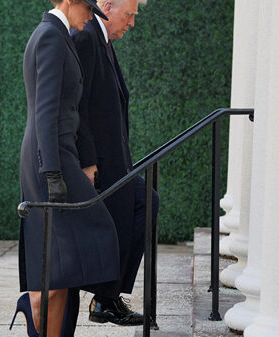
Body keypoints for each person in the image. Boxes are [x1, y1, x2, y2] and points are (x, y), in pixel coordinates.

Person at [12, 1, 119, 336]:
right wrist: (52, 173)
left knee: (57, 263)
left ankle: (44, 320)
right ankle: (35, 305)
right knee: (94, 233)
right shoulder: (49, 37)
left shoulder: (59, 35)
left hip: (57, 156)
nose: (91, 16)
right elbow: (44, 112)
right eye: (89, 8)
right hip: (50, 159)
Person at [71, 0, 159, 326]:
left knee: (146, 202)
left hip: (116, 162)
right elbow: (76, 104)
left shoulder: (103, 41)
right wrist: (88, 162)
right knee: (143, 203)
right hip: (100, 166)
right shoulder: (86, 38)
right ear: (107, 6)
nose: (132, 23)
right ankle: (104, 299)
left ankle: (107, 298)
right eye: (130, 14)